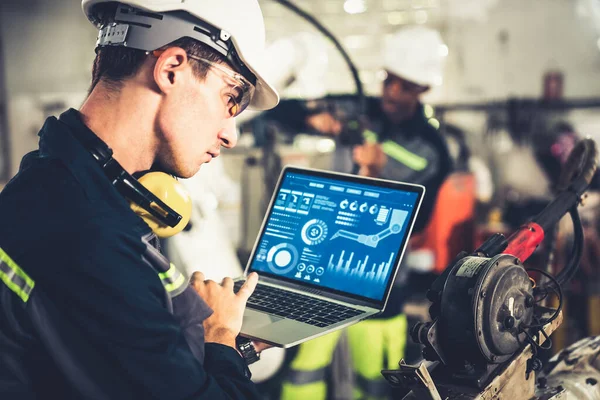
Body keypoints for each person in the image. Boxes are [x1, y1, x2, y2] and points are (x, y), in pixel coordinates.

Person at [0, 0, 280, 398]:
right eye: (231, 99)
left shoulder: (56, 180)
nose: (230, 134)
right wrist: (219, 340)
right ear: (171, 69)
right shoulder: (87, 237)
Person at [265, 26, 454, 399]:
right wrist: (317, 119)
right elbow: (277, 110)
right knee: (305, 365)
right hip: (321, 270)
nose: (391, 92)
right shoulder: (357, 110)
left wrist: (380, 166)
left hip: (380, 284)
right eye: (389, 81)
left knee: (377, 378)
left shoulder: (432, 147)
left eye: (405, 85)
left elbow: (419, 219)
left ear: (423, 89)